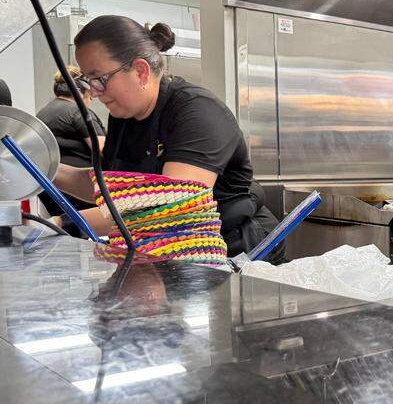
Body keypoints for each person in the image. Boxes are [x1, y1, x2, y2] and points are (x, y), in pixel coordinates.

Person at [50, 15, 280, 258]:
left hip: (237, 250)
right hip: (169, 251)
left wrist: (63, 223)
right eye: (88, 81)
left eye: (100, 79)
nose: (94, 92)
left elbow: (169, 209)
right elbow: (107, 188)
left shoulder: (196, 112)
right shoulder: (124, 117)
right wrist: (47, 169)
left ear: (140, 71)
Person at [36, 66, 106, 219]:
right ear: (80, 92)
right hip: (80, 191)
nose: (92, 98)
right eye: (90, 94)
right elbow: (103, 149)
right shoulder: (78, 112)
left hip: (51, 189)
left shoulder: (43, 112)